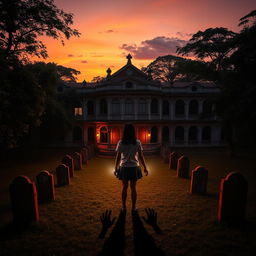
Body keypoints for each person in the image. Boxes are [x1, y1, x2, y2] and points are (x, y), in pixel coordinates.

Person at [114, 123, 149, 212]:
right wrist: (145, 167)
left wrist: (115, 168)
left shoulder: (121, 142)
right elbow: (141, 156)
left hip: (124, 167)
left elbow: (118, 157)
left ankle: (124, 207)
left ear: (124, 132)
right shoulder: (137, 142)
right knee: (133, 188)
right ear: (133, 132)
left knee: (124, 187)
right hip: (134, 167)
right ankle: (133, 207)